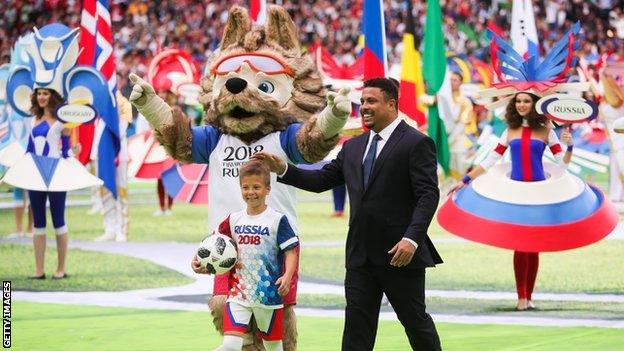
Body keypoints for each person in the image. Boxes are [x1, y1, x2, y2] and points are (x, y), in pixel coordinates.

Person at [253, 77, 442, 351]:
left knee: (414, 321)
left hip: (400, 254)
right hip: (359, 256)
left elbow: (428, 195)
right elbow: (320, 181)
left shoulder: (416, 143)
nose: (364, 107)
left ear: (392, 104)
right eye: (362, 101)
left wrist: (411, 239)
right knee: (356, 329)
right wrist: (283, 169)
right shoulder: (353, 146)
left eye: (371, 101)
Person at [449, 92, 574, 310]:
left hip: (538, 193)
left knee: (533, 245)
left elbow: (562, 165)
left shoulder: (546, 130)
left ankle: (530, 297)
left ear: (535, 104)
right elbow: (489, 161)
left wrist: (569, 147)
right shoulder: (509, 131)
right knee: (519, 244)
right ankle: (521, 298)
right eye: (518, 101)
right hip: (516, 194)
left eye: (527, 101)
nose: (522, 105)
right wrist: (465, 180)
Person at [191, 160, 299, 351]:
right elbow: (214, 242)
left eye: (256, 187)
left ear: (268, 189)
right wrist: (199, 259)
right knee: (231, 345)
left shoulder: (277, 220)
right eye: (245, 187)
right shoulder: (234, 219)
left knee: (274, 347)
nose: (251, 192)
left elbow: (290, 251)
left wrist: (287, 275)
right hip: (238, 294)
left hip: (268, 296)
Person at [27, 88, 72, 279]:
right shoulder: (31, 120)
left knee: (58, 221)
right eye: (39, 94)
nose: (41, 97)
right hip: (35, 175)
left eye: (45, 93)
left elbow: (66, 151)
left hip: (56, 175)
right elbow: (29, 149)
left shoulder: (63, 122)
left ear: (53, 96)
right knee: (38, 223)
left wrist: (72, 151)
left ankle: (60, 269)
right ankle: (39, 270)